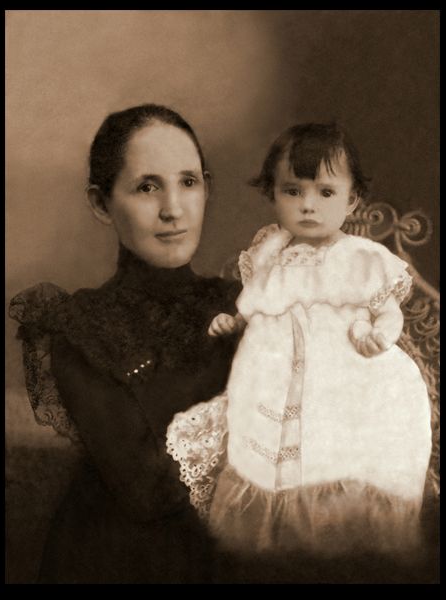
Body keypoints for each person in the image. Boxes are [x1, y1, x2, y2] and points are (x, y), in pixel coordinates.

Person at [168, 122, 432, 579]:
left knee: (339, 441)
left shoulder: (362, 257)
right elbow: (254, 306)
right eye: (293, 191)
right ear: (273, 195)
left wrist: (380, 335)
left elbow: (388, 312)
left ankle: (342, 538)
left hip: (343, 369)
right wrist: (234, 321)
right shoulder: (270, 251)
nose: (308, 205)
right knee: (264, 445)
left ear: (352, 201)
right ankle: (273, 544)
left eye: (325, 193)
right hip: (273, 368)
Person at [9, 104, 240, 583]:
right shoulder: (78, 325)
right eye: (147, 186)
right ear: (100, 204)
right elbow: (147, 488)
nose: (173, 208)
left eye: (189, 182)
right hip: (113, 558)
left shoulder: (242, 306)